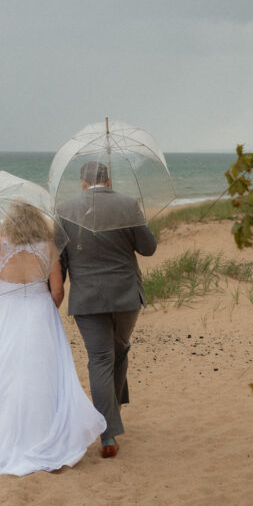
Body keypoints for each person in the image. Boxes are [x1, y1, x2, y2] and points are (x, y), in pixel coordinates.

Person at [0, 201, 106, 479]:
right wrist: (46, 309)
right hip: (39, 310)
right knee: (41, 370)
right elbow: (57, 291)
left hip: (6, 311)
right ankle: (42, 430)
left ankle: (3, 430)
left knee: (4, 365)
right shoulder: (48, 246)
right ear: (37, 221)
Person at [58, 161, 157, 459]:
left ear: (83, 182)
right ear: (109, 179)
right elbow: (148, 247)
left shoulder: (65, 210)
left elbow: (60, 260)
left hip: (87, 298)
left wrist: (56, 291)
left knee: (100, 358)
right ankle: (112, 415)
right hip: (125, 295)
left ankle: (107, 434)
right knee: (120, 349)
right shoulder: (128, 205)